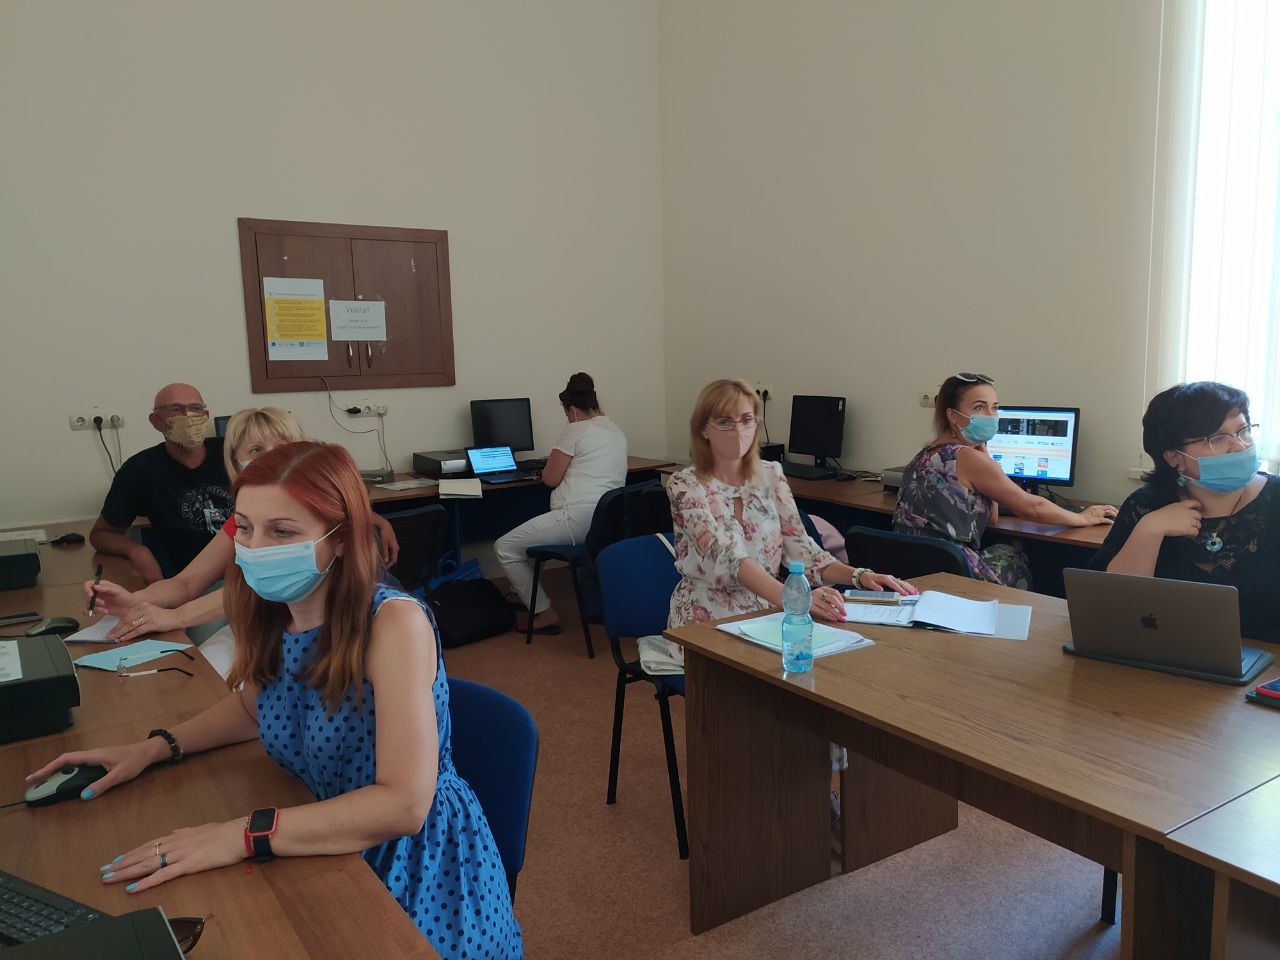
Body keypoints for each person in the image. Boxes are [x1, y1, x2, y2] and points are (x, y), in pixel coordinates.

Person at [30, 442, 523, 960]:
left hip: (417, 869)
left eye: (282, 532)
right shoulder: (272, 606)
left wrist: (239, 835)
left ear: (340, 539)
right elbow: (255, 708)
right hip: (319, 830)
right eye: (244, 528)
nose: (255, 548)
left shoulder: (393, 622)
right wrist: (153, 748)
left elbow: (403, 806)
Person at [86, 408, 399, 645]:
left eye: (283, 446)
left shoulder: (392, 618)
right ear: (235, 461)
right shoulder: (241, 520)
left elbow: (252, 591)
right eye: (255, 450)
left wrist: (176, 616)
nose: (272, 457)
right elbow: (186, 583)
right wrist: (135, 600)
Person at [665, 379, 916, 658]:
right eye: (725, 422)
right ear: (704, 428)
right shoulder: (685, 484)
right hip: (705, 619)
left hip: (768, 612)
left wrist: (861, 576)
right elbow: (726, 557)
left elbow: (804, 553)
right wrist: (794, 597)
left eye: (746, 420)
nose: (738, 431)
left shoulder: (771, 474)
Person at [1090, 381, 1279, 642]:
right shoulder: (1146, 504)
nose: (1239, 446)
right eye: (1217, 438)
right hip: (1165, 653)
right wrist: (1149, 530)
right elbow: (1111, 608)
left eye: (1243, 431)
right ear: (1175, 457)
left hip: (1268, 662)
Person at [893, 373, 1116, 588]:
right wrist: (1082, 518)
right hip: (954, 571)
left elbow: (991, 519)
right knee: (1015, 552)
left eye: (995, 407)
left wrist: (986, 458)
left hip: (914, 569)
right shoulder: (968, 458)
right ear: (953, 416)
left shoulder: (925, 454)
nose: (990, 415)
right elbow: (1033, 507)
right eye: (979, 407)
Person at [495, 373, 627, 634]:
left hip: (575, 521)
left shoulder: (575, 430)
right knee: (532, 536)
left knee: (505, 547)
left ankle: (543, 612)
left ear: (573, 410)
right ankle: (521, 592)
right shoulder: (615, 430)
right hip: (606, 523)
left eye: (567, 414)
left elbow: (550, 478)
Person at [90, 383, 232, 583]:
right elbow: (101, 534)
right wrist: (136, 550)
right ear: (156, 421)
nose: (188, 416)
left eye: (195, 408)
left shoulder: (233, 453)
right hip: (197, 581)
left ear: (206, 415)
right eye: (176, 409)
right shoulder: (140, 470)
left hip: (252, 568)